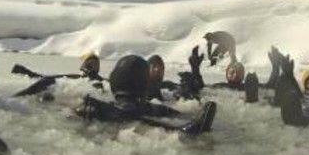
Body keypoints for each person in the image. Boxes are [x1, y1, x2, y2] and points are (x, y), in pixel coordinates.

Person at [75, 55, 216, 138]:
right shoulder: (100, 105)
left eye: (161, 67)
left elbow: (182, 102)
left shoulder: (166, 87)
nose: (157, 69)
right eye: (153, 66)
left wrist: (192, 79)